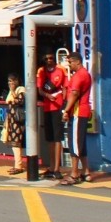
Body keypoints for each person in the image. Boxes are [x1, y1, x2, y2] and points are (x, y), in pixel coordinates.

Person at [61, 50, 94, 185]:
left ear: (77, 61)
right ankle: (86, 172)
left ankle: (74, 174)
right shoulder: (85, 74)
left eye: (70, 62)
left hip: (77, 113)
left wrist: (66, 110)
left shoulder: (79, 76)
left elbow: (74, 94)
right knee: (81, 143)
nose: (69, 65)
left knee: (75, 144)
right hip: (83, 112)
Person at [36, 51, 67, 179]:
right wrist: (47, 95)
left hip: (58, 106)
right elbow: (39, 89)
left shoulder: (61, 69)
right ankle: (51, 166)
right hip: (47, 107)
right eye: (46, 58)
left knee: (57, 138)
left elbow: (65, 87)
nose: (49, 60)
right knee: (49, 138)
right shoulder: (41, 71)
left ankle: (57, 168)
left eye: (51, 58)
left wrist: (64, 104)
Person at [1, 73, 28, 174]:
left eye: (12, 81)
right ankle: (17, 164)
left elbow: (20, 101)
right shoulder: (11, 91)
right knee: (13, 143)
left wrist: (12, 92)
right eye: (9, 81)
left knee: (16, 142)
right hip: (11, 119)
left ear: (17, 81)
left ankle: (19, 166)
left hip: (18, 120)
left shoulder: (21, 89)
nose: (10, 83)